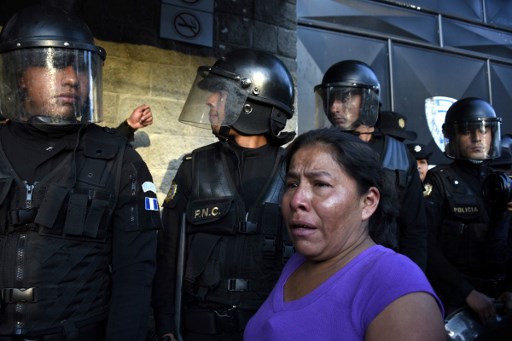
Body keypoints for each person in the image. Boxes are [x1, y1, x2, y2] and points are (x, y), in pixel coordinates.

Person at [0, 5, 161, 340]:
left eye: (81, 67)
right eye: (57, 64)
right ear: (21, 77)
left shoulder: (120, 163)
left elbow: (134, 277)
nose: (72, 78)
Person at [244, 128, 445, 340]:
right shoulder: (297, 262)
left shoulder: (396, 285)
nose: (296, 201)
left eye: (321, 184)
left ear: (368, 202)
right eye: (292, 184)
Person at [152, 48, 296, 341]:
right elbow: (169, 253)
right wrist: (165, 323)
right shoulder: (196, 166)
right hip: (200, 327)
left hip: (272, 326)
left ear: (251, 104)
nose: (210, 100)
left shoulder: (295, 169)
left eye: (221, 92)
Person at [314, 60, 428, 271]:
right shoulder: (317, 150)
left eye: (345, 98)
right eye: (330, 98)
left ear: (368, 100)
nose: (334, 107)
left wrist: (411, 280)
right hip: (331, 269)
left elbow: (415, 230)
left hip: (386, 270)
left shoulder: (400, 156)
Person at [423, 97, 512, 339]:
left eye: (483, 131)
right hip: (458, 300)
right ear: (453, 137)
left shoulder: (502, 183)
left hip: (501, 299)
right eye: (467, 132)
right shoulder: (440, 181)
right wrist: (466, 293)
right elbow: (427, 246)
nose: (476, 138)